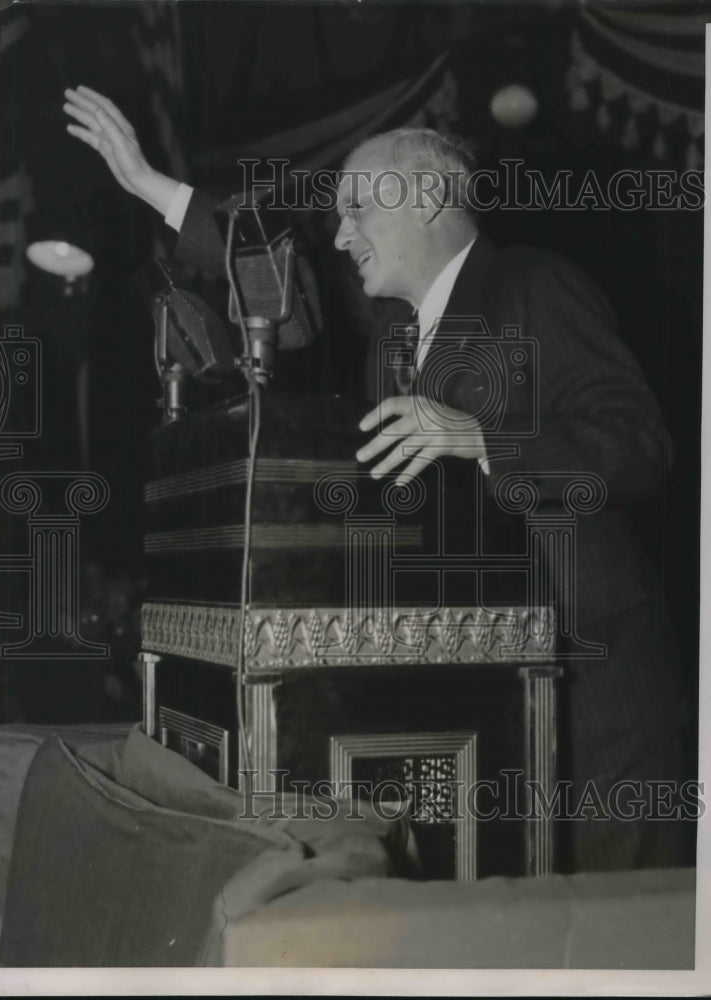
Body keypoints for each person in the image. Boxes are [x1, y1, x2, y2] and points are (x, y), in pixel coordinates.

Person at [64, 86, 691, 872]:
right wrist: (151, 185)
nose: (340, 231)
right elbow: (288, 274)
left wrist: (482, 438)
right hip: (484, 697)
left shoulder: (532, 284)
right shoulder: (393, 338)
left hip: (593, 695)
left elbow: (640, 445)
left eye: (358, 205)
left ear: (428, 198)